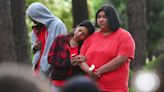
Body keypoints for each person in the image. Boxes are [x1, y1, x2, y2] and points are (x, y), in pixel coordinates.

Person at [72, 5, 135, 92]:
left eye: (104, 17)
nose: (101, 20)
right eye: (99, 17)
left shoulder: (124, 36)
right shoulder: (91, 37)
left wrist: (99, 71)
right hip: (91, 86)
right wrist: (90, 72)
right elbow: (81, 58)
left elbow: (122, 58)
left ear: (112, 18)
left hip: (114, 88)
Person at [48, 20, 95, 92]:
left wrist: (83, 59)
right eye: (79, 30)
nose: (79, 34)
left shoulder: (84, 47)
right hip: (57, 82)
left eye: (83, 34)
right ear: (76, 27)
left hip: (74, 84)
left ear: (86, 37)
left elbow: (86, 64)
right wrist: (69, 62)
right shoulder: (60, 39)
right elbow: (50, 58)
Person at [26, 2, 67, 77]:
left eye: (34, 18)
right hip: (37, 70)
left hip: (51, 72)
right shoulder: (37, 29)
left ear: (40, 14)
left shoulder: (58, 25)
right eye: (31, 18)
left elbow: (61, 49)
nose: (33, 21)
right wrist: (34, 48)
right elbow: (34, 49)